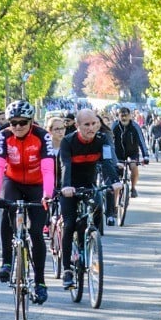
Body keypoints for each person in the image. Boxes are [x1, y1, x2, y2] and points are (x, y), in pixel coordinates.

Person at [0, 100, 54, 304]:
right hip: (13, 180)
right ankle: (6, 262)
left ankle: (41, 282)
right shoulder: (4, 136)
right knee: (7, 213)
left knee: (36, 232)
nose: (17, 127)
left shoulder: (42, 136)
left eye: (22, 122)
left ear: (31, 121)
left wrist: (47, 194)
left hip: (37, 183)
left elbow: (48, 168)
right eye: (13, 122)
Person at [58, 109, 121, 288]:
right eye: (86, 125)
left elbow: (107, 163)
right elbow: (65, 165)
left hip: (89, 184)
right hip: (69, 186)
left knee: (98, 206)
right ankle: (67, 270)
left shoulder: (102, 140)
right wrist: (66, 187)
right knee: (69, 224)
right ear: (77, 126)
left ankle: (91, 241)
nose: (91, 128)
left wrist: (114, 182)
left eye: (94, 123)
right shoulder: (68, 141)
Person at [111, 105, 150, 203]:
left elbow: (141, 141)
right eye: (121, 115)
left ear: (130, 116)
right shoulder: (114, 126)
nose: (124, 118)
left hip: (132, 152)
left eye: (126, 115)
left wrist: (145, 155)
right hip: (118, 153)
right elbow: (109, 141)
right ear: (118, 116)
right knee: (116, 175)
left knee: (133, 166)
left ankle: (133, 188)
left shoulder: (135, 126)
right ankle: (114, 205)